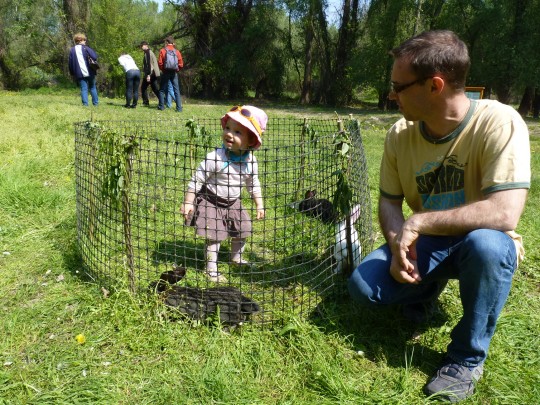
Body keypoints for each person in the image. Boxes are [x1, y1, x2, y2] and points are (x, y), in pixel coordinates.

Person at [348, 30, 530, 402]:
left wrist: (420, 223)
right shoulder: (399, 134)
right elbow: (389, 203)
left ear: (435, 85)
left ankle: (466, 357)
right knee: (363, 288)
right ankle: (426, 290)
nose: (391, 95)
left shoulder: (499, 122)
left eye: (399, 87)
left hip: (481, 241)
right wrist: (399, 244)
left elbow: (505, 212)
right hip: (426, 244)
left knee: (487, 247)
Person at [180, 106, 267, 282]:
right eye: (228, 128)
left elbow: (253, 183)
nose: (229, 134)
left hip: (233, 202)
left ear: (251, 141)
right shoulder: (216, 157)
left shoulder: (251, 161)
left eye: (237, 132)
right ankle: (211, 269)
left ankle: (236, 258)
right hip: (211, 201)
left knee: (243, 229)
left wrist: (259, 204)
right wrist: (188, 202)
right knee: (214, 236)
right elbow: (197, 179)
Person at [68, 33, 99, 107]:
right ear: (81, 40)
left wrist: (72, 73)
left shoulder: (72, 50)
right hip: (90, 71)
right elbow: (94, 57)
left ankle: (85, 105)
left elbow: (70, 63)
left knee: (84, 89)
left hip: (79, 73)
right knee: (92, 87)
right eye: (84, 40)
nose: (85, 41)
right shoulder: (86, 48)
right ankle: (96, 104)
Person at [157, 36, 184, 112]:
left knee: (162, 90)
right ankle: (179, 108)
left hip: (165, 72)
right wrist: (177, 70)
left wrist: (163, 69)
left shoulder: (162, 50)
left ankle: (161, 107)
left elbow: (160, 63)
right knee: (176, 90)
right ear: (173, 42)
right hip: (174, 72)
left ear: (166, 42)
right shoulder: (177, 51)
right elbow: (181, 64)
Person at [139, 41, 160, 107]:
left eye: (142, 46)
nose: (141, 47)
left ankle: (146, 102)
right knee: (154, 88)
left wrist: (148, 75)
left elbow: (149, 65)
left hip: (151, 74)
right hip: (152, 73)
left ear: (145, 45)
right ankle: (162, 100)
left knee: (144, 87)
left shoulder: (148, 53)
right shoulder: (148, 52)